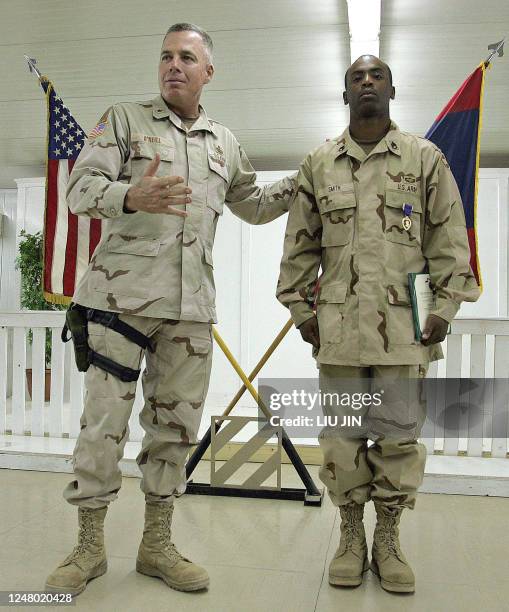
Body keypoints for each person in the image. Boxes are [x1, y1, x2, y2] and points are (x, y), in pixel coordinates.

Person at [45, 23, 296, 596]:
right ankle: (88, 548)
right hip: (120, 305)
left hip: (189, 312)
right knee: (103, 428)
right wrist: (129, 195)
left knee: (175, 430)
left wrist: (305, 182)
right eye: (166, 56)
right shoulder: (124, 120)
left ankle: (156, 545)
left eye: (187, 57)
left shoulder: (224, 143)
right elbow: (80, 190)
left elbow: (252, 206)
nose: (174, 66)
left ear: (209, 71)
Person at [276, 55, 480, 594]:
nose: (366, 83)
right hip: (339, 333)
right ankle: (350, 536)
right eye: (356, 78)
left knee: (397, 439)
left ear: (392, 88)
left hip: (404, 333)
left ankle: (387, 537)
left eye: (376, 76)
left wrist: (445, 308)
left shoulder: (424, 158)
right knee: (342, 439)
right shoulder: (320, 163)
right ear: (345, 94)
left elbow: (449, 239)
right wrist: (302, 314)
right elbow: (299, 249)